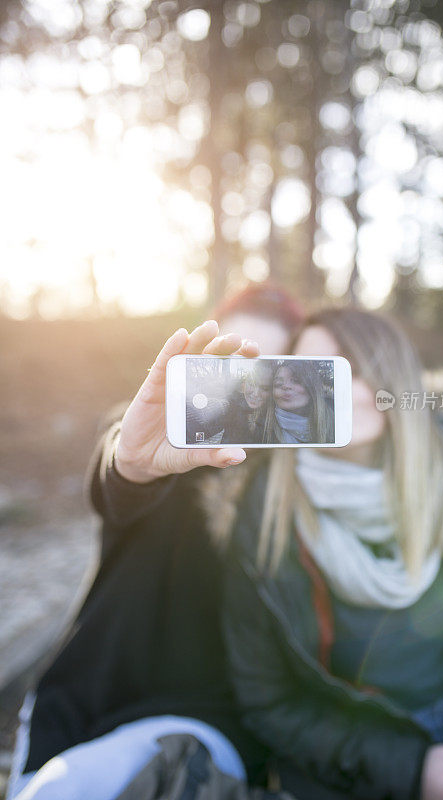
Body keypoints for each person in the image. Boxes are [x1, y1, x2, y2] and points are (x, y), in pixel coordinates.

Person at [6, 283, 320, 800]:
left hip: (205, 721)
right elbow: (117, 482)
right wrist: (128, 463)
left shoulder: (294, 482)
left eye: (264, 367)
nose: (241, 384)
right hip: (85, 696)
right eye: (228, 359)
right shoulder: (150, 432)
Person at [221, 306, 443, 800]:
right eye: (312, 373)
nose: (338, 388)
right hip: (347, 737)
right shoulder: (263, 513)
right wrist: (407, 767)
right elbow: (268, 701)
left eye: (352, 366)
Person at [264, 361, 334, 444]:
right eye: (278, 384)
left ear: (312, 387)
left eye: (296, 381)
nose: (286, 386)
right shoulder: (262, 430)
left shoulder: (335, 424)